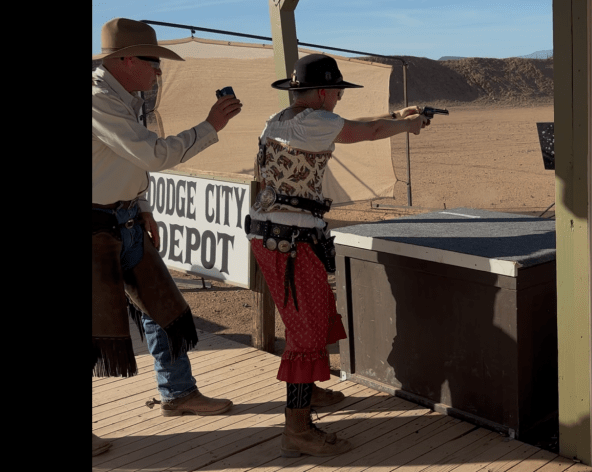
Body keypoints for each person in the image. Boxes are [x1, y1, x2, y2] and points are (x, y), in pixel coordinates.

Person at [246, 53, 428, 458]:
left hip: (278, 236)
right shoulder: (315, 122)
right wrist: (407, 126)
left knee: (307, 318)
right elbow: (368, 131)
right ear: (324, 93)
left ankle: (307, 392)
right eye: (337, 92)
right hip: (289, 242)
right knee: (307, 330)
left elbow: (359, 124)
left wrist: (397, 116)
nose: (339, 99)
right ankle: (297, 429)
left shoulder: (281, 118)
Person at [92, 18, 243, 456]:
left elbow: (124, 161)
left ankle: (178, 393)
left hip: (122, 219)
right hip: (97, 226)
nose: (159, 70)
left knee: (163, 311)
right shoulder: (99, 100)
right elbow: (151, 154)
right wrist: (209, 126)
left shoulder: (120, 97)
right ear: (126, 60)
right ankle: (177, 392)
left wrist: (141, 206)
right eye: (153, 60)